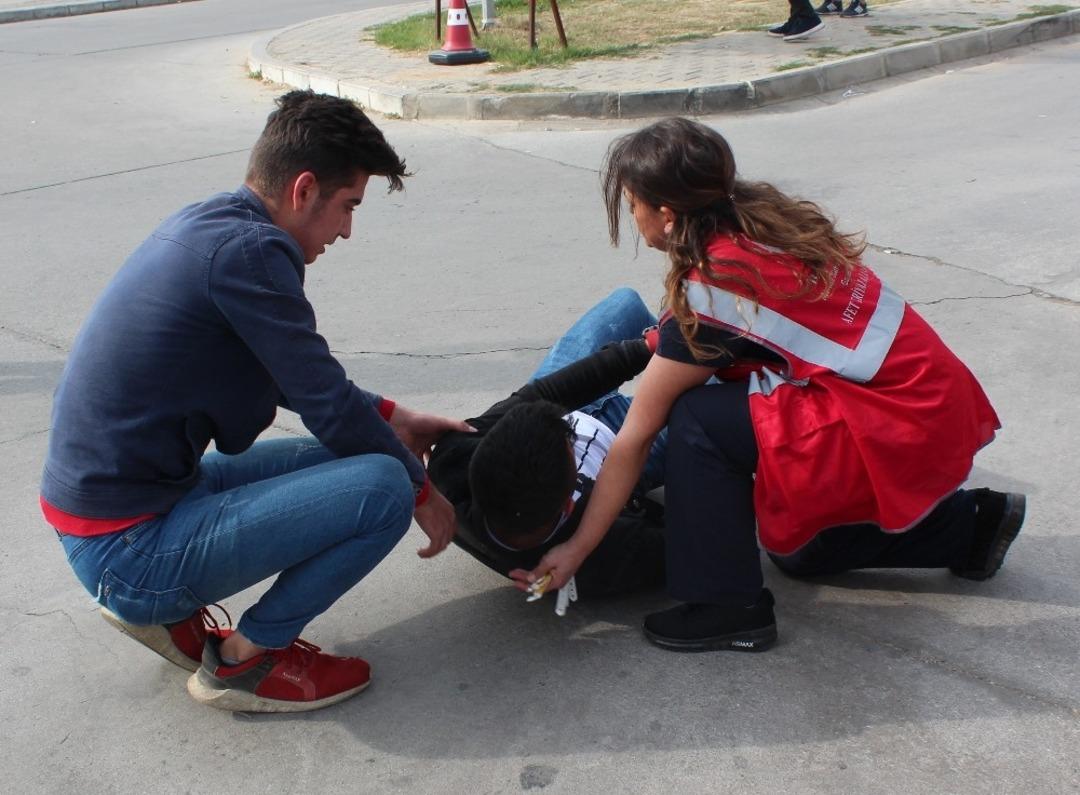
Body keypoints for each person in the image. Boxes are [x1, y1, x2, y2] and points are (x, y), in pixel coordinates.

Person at [513, 117, 1025, 653]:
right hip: (928, 403)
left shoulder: (716, 288)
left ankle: (726, 607)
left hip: (894, 421)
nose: (633, 216)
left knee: (697, 420)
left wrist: (577, 548)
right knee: (799, 551)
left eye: (632, 203)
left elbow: (635, 437)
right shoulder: (760, 222)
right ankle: (972, 527)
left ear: (665, 214)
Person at [40, 90, 471, 713]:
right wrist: (423, 492)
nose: (347, 230)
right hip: (127, 546)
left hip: (122, 509)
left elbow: (297, 376)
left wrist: (393, 418)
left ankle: (168, 611)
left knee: (357, 457)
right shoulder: (253, 254)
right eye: (348, 206)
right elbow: (324, 399)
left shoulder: (214, 223)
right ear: (303, 190)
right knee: (385, 488)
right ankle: (247, 660)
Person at [428, 288, 667, 600]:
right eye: (570, 443)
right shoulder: (612, 552)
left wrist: (651, 345)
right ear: (568, 505)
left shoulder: (451, 465)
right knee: (719, 384)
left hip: (558, 404)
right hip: (630, 440)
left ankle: (671, 342)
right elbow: (700, 545)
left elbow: (541, 396)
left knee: (626, 304)